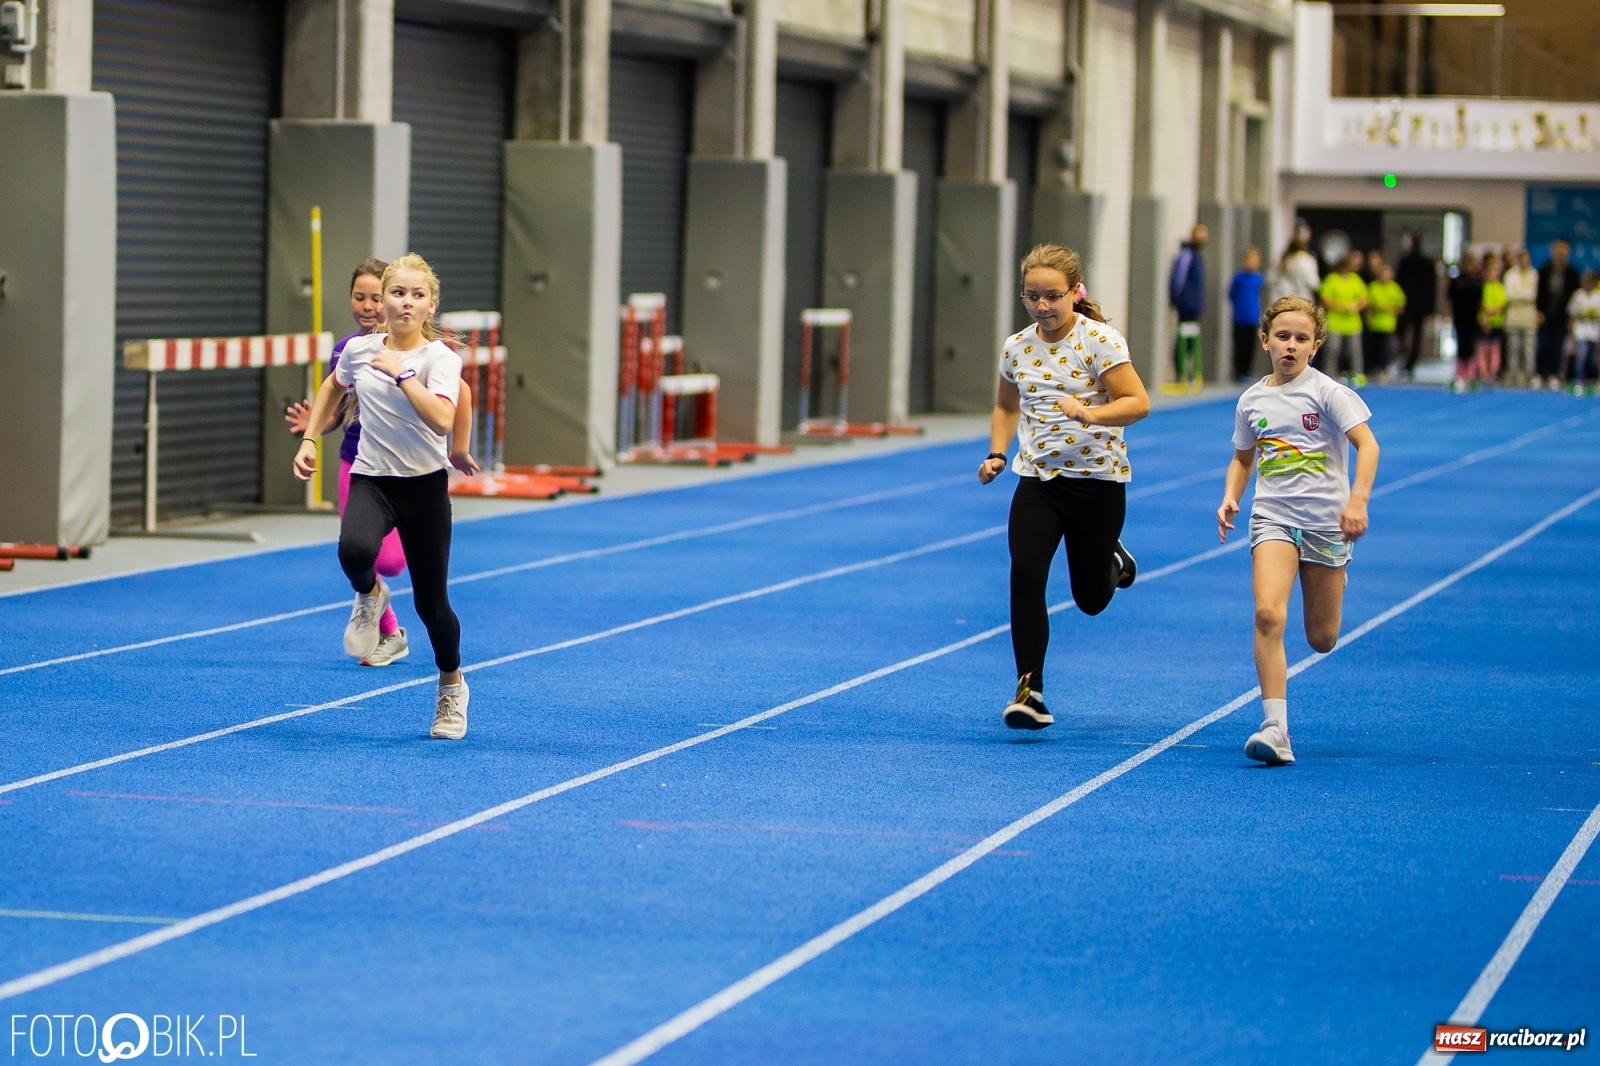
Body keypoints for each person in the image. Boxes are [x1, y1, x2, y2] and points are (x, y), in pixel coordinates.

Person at [293, 253, 473, 740]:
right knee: (353, 551)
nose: (405, 302)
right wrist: (311, 438)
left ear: (431, 303)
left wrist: (403, 376)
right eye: (398, 293)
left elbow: (441, 414)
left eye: (417, 295)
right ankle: (370, 595)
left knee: (433, 606)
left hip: (424, 487)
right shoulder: (359, 349)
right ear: (385, 300)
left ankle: (451, 684)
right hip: (374, 478)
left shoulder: (439, 359)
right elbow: (333, 387)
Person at [980, 243, 1150, 731]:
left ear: (1075, 292)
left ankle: (1114, 562)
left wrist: (1090, 413)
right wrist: (996, 453)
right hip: (1038, 480)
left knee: (1090, 600)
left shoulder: (1101, 341)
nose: (1042, 306)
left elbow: (1137, 402)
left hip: (1097, 482)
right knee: (1026, 574)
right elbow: (1007, 407)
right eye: (1032, 296)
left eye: (1052, 296)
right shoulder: (1016, 346)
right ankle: (1030, 691)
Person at [1217, 295, 1380, 766]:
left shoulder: (1329, 393)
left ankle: (1335, 573)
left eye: (1301, 339)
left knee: (1321, 639)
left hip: (1327, 523)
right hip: (1273, 518)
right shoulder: (1252, 400)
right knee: (1268, 613)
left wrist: (1358, 500)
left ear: (1316, 345)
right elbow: (1244, 457)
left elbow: (1368, 447)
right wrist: (1232, 495)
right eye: (1282, 336)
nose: (1290, 346)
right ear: (1265, 340)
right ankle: (1276, 728)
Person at [1536, 239, 1581, 388]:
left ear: (1567, 252)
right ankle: (1540, 374)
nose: (1560, 253)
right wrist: (1539, 311)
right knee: (1543, 345)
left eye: (1563, 250)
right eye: (1558, 250)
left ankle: (1555, 374)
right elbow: (1539, 293)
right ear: (1553, 251)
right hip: (1545, 315)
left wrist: (1570, 317)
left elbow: (1575, 298)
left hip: (1563, 316)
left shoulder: (1573, 274)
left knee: (1557, 347)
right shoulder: (1544, 270)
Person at [1318, 249, 1367, 384]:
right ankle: (1329, 377)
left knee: (1355, 352)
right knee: (1333, 351)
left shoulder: (1356, 280)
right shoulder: (1331, 279)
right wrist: (1342, 306)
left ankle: (1358, 376)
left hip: (1353, 323)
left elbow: (1363, 298)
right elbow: (1325, 299)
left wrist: (1355, 306)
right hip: (1335, 322)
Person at [1169, 223, 1208, 387]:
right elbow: (1178, 279)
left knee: (1192, 341)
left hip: (1195, 305)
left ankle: (1190, 372)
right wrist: (1175, 300)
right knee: (1182, 339)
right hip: (1185, 305)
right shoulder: (1186, 255)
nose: (1204, 238)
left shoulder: (1199, 256)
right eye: (1201, 234)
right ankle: (1180, 373)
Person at [1395, 233, 1438, 377]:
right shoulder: (1418, 262)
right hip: (1415, 304)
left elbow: (1399, 282)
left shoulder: (1407, 262)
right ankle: (1408, 359)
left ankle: (1408, 359)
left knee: (1407, 333)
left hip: (1410, 303)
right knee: (1408, 333)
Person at [1448, 251, 1484, 391]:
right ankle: (1459, 375)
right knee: (1461, 346)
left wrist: (1483, 316)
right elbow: (1450, 300)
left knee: (1471, 346)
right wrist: (1447, 315)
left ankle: (1470, 375)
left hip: (1473, 317)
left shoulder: (1478, 281)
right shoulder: (1456, 280)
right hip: (1459, 317)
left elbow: (1481, 301)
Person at [1228, 247, 1266, 382]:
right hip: (1240, 317)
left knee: (1250, 347)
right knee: (1240, 345)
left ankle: (1247, 371)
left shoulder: (1259, 279)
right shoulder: (1238, 277)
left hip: (1253, 317)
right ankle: (1238, 371)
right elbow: (1231, 294)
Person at [1503, 248, 1539, 387]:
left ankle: (1529, 376)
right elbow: (1509, 295)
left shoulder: (1534, 274)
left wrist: (1520, 295)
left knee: (1528, 350)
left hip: (1529, 318)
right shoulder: (1510, 275)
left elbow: (1534, 295)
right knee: (1513, 349)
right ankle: (1513, 376)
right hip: (1513, 318)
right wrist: (1525, 295)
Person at [1364, 261, 1406, 380]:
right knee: (1374, 348)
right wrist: (1369, 319)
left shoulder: (1395, 288)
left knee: (1385, 349)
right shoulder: (1373, 287)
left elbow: (1401, 307)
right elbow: (1368, 306)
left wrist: (1387, 307)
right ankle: (1373, 369)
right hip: (1375, 325)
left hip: (1388, 325)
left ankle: (1384, 369)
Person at [1567, 270, 1600, 391]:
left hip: (1594, 332)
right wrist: (1572, 332)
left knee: (1592, 358)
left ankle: (1592, 380)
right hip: (1581, 332)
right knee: (1581, 356)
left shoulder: (1598, 296)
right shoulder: (1578, 296)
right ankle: (1579, 379)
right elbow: (1572, 314)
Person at [1476, 254, 1506, 383]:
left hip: (1497, 323)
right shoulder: (1482, 287)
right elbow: (1481, 304)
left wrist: (1492, 311)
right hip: (1483, 322)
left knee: (1495, 349)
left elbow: (1502, 304)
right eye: (1490, 272)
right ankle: (1483, 372)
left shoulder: (1500, 288)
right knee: (1482, 348)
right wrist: (1486, 318)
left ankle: (1493, 372)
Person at [1268, 229, 1321, 303]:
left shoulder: (1283, 259)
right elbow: (1313, 283)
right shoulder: (1307, 260)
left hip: (1284, 299)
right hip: (1303, 300)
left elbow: (1271, 278)